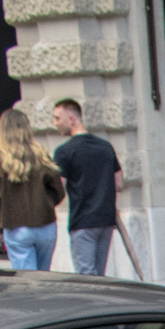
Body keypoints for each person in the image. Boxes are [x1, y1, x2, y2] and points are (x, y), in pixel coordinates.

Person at [0, 108, 64, 272]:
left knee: (27, 280)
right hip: (46, 225)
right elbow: (58, 191)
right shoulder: (41, 156)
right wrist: (44, 203)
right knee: (43, 275)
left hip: (16, 225)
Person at [49, 98, 123, 276]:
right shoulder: (105, 147)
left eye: (58, 118)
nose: (55, 123)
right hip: (106, 220)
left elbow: (58, 188)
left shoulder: (64, 151)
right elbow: (119, 183)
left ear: (72, 119)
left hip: (82, 220)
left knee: (86, 276)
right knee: (99, 275)